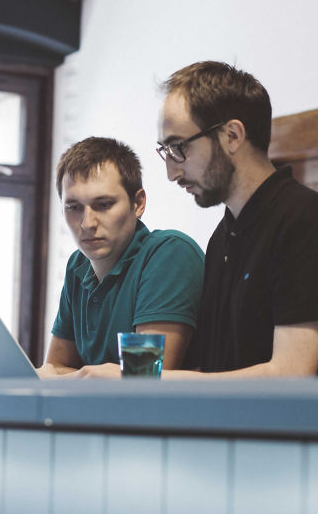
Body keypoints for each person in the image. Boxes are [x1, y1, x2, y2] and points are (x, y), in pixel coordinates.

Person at [154, 61, 318, 377]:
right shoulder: (222, 237)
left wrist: (151, 381)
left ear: (232, 135)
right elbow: (217, 372)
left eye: (178, 147)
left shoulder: (304, 219)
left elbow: (290, 375)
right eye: (166, 151)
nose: (172, 172)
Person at [38, 137, 205, 377]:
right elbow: (53, 367)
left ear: (138, 203)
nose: (87, 223)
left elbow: (141, 380)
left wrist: (68, 377)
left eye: (103, 204)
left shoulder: (169, 253)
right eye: (73, 207)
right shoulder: (78, 264)